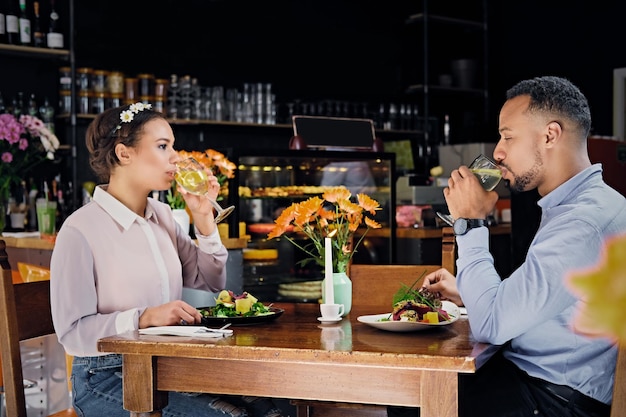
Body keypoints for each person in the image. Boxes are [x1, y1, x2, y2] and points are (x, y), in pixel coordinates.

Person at [389, 76, 626, 417]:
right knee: (412, 388)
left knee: (408, 398)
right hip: (546, 383)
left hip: (552, 400)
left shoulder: (581, 223)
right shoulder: (594, 204)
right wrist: (470, 292)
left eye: (508, 136)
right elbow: (551, 299)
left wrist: (470, 222)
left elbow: (491, 326)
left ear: (550, 135)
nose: (498, 152)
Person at [50, 103, 284, 417]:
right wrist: (143, 317)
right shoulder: (80, 229)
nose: (175, 156)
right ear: (124, 153)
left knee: (272, 407)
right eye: (163, 146)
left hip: (167, 365)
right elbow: (72, 334)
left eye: (172, 146)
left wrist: (203, 222)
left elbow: (210, 281)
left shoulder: (160, 215)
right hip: (103, 377)